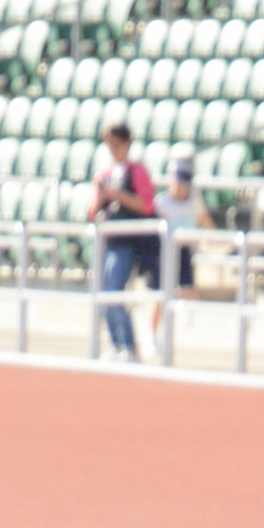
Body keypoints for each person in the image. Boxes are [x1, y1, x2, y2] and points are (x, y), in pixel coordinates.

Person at [87, 122, 157, 360]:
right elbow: (92, 212)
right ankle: (116, 343)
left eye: (117, 144)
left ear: (127, 144)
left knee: (113, 291)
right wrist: (100, 195)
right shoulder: (105, 174)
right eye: (110, 145)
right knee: (103, 294)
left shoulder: (136, 172)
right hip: (108, 241)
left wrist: (119, 195)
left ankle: (128, 344)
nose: (113, 149)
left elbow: (146, 205)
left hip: (127, 242)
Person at [150, 154, 211, 346]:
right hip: (165, 253)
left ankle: (184, 323)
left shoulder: (194, 202)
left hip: (184, 251)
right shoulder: (161, 203)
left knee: (189, 290)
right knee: (160, 296)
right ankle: (152, 336)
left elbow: (207, 222)